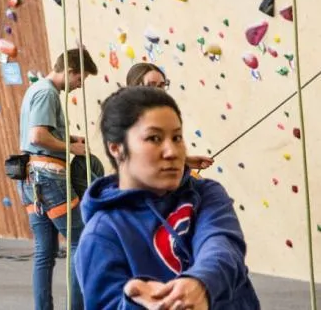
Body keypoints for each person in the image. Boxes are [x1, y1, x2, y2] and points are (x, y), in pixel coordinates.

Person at [77, 87, 260, 310]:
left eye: (177, 137)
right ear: (116, 148)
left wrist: (201, 283)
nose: (172, 151)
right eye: (154, 138)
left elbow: (221, 243)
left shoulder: (205, 194)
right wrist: (138, 303)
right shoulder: (101, 235)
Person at [20, 46, 99, 310]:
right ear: (70, 70)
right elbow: (38, 137)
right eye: (80, 79)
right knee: (80, 240)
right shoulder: (47, 93)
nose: (79, 85)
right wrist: (71, 147)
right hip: (49, 177)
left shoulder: (35, 89)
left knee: (44, 252)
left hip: (31, 177)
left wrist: (68, 138)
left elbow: (38, 135)